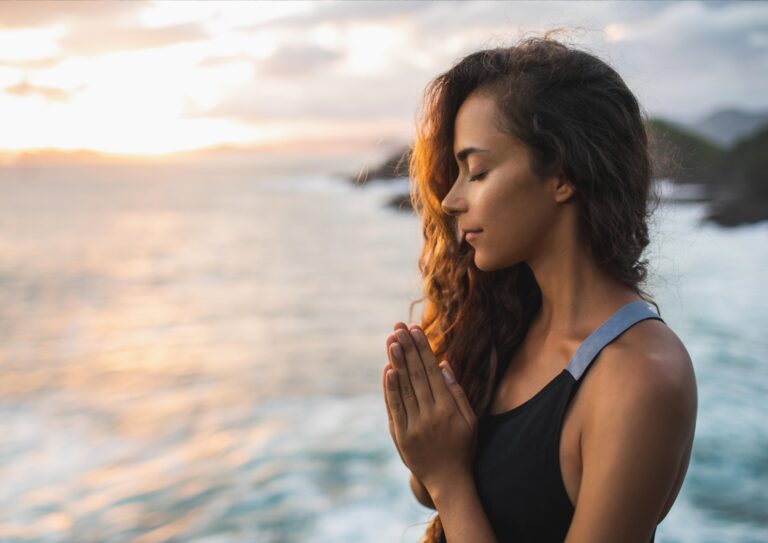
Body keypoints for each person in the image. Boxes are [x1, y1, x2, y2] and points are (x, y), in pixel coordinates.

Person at [381, 33, 698, 543]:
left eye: (477, 171)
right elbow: (430, 487)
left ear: (563, 175)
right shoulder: (505, 318)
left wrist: (448, 477)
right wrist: (427, 443)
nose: (450, 199)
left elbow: (446, 485)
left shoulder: (640, 379)